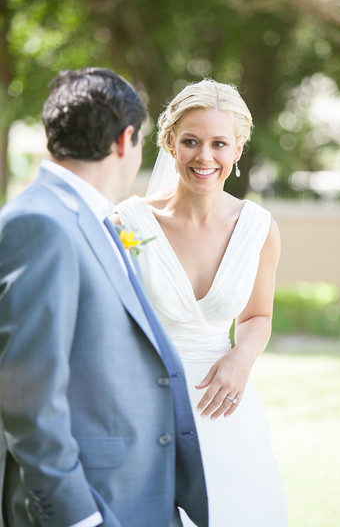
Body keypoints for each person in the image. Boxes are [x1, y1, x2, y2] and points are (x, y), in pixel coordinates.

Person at [0, 68, 208, 527]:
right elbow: (27, 397)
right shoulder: (41, 224)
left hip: (138, 494)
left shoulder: (91, 217)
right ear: (124, 140)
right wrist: (79, 518)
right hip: (91, 504)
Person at [112, 79, 288, 526]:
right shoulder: (126, 224)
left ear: (238, 148)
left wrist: (241, 358)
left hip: (225, 407)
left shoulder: (258, 228)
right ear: (170, 143)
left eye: (218, 143)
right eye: (190, 141)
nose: (203, 157)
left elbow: (257, 315)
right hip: (143, 408)